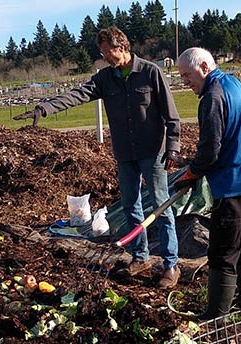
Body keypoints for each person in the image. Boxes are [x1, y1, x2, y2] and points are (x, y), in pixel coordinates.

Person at [13, 27, 182, 289]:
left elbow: (171, 115)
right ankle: (141, 257)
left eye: (108, 52)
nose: (105, 57)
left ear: (122, 47)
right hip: (125, 153)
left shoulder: (150, 72)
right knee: (130, 206)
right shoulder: (105, 78)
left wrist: (173, 147)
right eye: (102, 53)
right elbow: (78, 94)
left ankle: (171, 265)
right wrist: (44, 108)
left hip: (152, 151)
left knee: (161, 206)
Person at [173, 47, 241, 320]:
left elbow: (210, 150)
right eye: (182, 77)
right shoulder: (232, 83)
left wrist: (191, 173)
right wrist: (240, 133)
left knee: (222, 253)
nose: (186, 82)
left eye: (188, 75)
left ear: (204, 66)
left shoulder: (212, 97)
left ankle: (215, 317)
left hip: (234, 184)